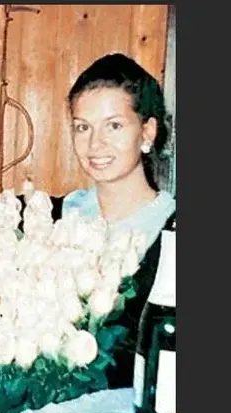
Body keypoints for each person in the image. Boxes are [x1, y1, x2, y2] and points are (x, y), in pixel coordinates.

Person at [49, 52, 176, 388]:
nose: (95, 144)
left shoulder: (173, 232)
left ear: (147, 132)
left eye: (114, 126)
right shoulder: (49, 219)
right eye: (83, 127)